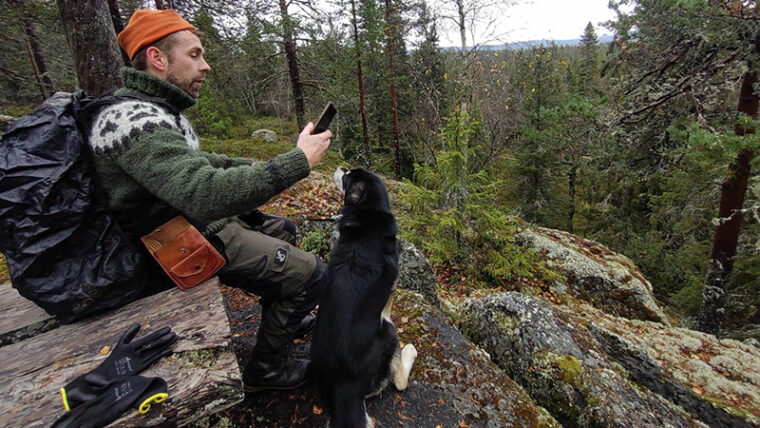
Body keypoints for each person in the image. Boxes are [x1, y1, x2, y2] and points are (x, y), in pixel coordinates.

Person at [88, 9, 332, 392]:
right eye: (195, 55)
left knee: (282, 228)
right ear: (157, 59)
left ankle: (284, 313)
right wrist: (296, 163)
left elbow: (205, 163)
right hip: (169, 244)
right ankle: (264, 371)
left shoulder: (155, 111)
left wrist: (277, 161)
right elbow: (203, 192)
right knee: (313, 275)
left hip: (185, 223)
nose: (206, 66)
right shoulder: (132, 120)